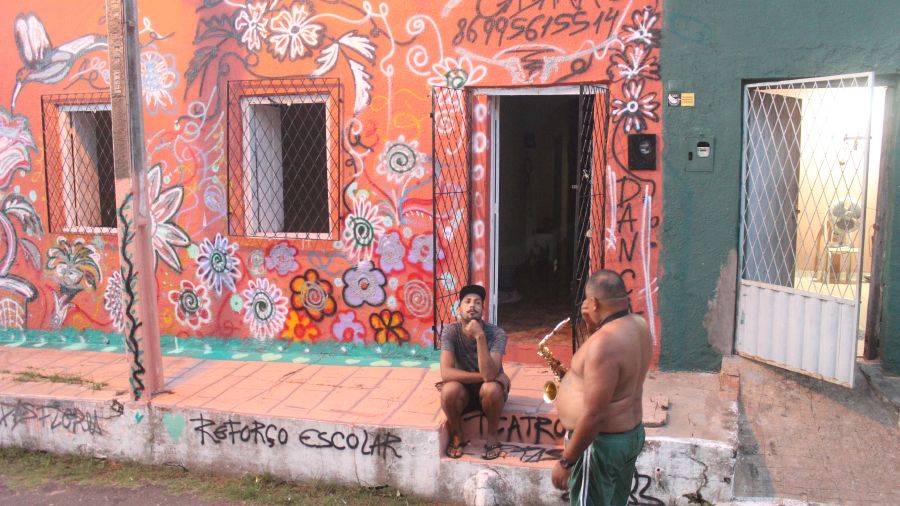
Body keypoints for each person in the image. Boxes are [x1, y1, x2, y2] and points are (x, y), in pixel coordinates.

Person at [550, 270, 652, 505]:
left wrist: (567, 461)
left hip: (599, 445)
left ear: (594, 303)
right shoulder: (639, 325)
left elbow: (594, 414)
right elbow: (607, 368)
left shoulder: (604, 344)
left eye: (588, 301)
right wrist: (592, 328)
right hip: (628, 436)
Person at [437, 284, 510, 460]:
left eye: (477, 302)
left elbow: (489, 376)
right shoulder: (450, 332)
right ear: (459, 308)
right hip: (463, 391)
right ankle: (457, 434)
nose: (472, 305)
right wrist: (485, 377)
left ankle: (492, 436)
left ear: (482, 309)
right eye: (467, 301)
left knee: (491, 389)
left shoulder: (497, 334)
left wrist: (480, 336)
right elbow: (446, 373)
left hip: (490, 394)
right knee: (449, 390)